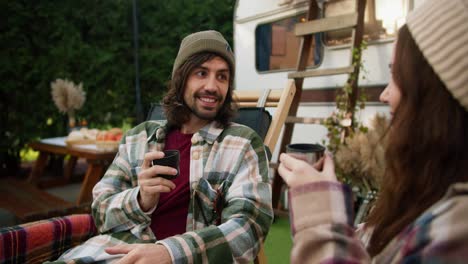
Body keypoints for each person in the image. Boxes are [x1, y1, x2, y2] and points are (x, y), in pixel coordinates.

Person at [53, 30, 273, 263]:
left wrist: (170, 252)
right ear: (181, 78)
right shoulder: (139, 138)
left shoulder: (242, 144)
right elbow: (100, 211)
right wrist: (140, 199)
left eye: (222, 77)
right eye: (201, 73)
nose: (212, 86)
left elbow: (249, 226)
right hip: (110, 251)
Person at [278, 0, 468, 263]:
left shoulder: (458, 227)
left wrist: (320, 216)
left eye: (397, 75)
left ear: (434, 93)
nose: (383, 94)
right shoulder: (430, 191)